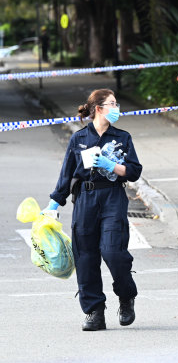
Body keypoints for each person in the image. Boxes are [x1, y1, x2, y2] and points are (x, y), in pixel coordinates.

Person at [43, 88, 142, 331]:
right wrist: (54, 204)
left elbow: (135, 171)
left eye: (117, 103)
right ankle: (94, 311)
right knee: (85, 257)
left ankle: (126, 296)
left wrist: (113, 166)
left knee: (113, 252)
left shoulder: (122, 137)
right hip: (85, 198)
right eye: (112, 104)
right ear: (98, 108)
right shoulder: (79, 139)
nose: (116, 108)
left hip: (112, 196)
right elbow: (66, 174)